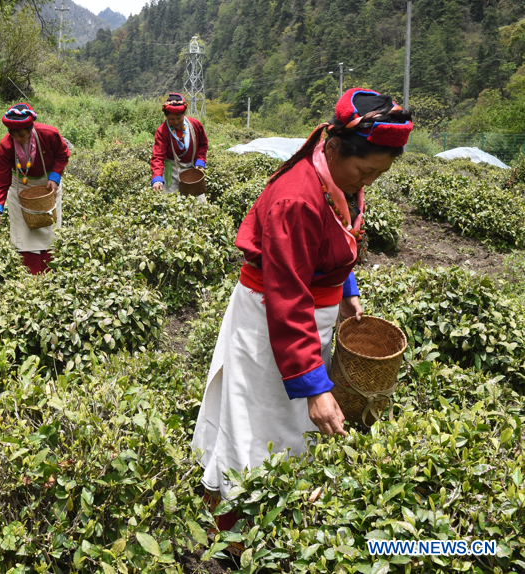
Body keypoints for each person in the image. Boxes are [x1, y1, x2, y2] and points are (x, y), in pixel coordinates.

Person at [192, 88, 413, 529]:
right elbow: (288, 298)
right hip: (272, 322)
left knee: (286, 426)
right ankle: (235, 529)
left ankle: (273, 516)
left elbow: (335, 236)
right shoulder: (295, 198)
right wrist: (313, 386)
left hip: (306, 322)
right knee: (258, 423)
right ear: (335, 148)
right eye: (365, 171)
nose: (367, 182)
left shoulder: (335, 177)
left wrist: (346, 286)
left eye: (378, 174)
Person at [0, 103, 70, 275]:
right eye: (13, 134)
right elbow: (1, 179)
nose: (18, 138)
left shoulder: (49, 134)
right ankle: (28, 275)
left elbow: (62, 154)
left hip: (47, 185)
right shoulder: (6, 145)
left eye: (22, 134)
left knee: (50, 231)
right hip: (19, 187)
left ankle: (51, 274)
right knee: (22, 234)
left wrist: (55, 178)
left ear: (31, 128)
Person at [150, 92, 209, 200]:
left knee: (198, 202)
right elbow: (158, 156)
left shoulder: (196, 125)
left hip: (192, 169)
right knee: (172, 202)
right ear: (166, 117)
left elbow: (203, 144)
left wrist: (200, 161)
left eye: (179, 118)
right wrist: (157, 178)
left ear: (184, 114)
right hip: (171, 172)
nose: (176, 122)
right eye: (171, 119)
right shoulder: (162, 131)